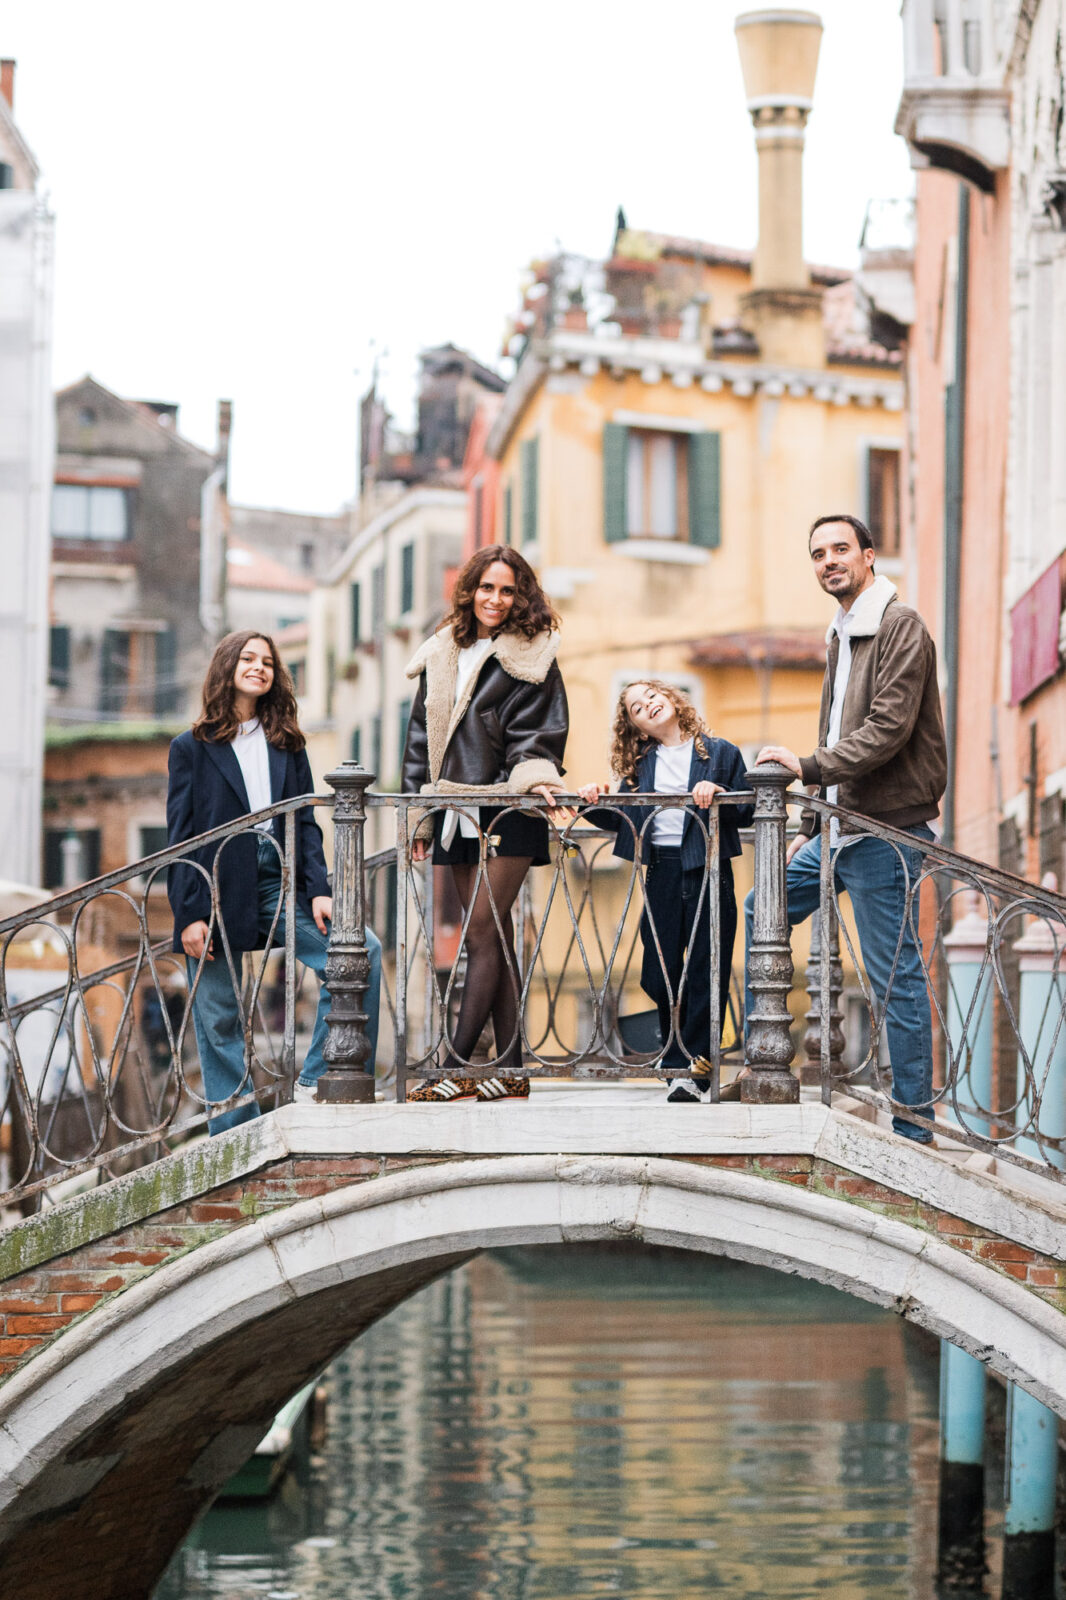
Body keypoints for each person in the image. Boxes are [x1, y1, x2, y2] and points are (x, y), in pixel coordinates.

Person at [749, 513, 947, 1143]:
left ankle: (914, 1125)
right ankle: (768, 1064)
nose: (828, 561)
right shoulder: (842, 632)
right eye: (817, 554)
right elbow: (837, 732)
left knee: (895, 977)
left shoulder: (898, 625)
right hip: (837, 829)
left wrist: (803, 769)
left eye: (840, 549)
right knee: (764, 908)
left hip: (885, 832)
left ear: (868, 555)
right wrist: (812, 819)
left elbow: (886, 731)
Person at [167, 629, 382, 1132]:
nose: (259, 667)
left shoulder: (287, 744)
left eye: (267, 661)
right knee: (218, 1012)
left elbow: (305, 825)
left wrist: (320, 889)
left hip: (276, 883)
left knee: (360, 953)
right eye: (247, 658)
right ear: (226, 667)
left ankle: (318, 1080)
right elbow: (180, 837)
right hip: (215, 885)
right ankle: (236, 1131)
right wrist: (189, 915)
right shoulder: (191, 749)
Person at [401, 545, 570, 1102]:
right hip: (452, 810)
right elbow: (420, 742)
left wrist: (534, 779)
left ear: (521, 595)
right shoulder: (443, 651)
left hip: (508, 807)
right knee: (493, 938)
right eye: (486, 588)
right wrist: (419, 818)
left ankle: (455, 1065)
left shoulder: (534, 655)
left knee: (480, 932)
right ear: (469, 590)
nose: (495, 600)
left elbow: (539, 735)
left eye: (507, 589)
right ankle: (512, 1068)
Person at [578, 681, 752, 1103]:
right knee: (659, 972)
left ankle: (695, 1068)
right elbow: (622, 820)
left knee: (705, 970)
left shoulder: (720, 752)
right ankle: (673, 1056)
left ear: (672, 699)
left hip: (708, 869)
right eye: (637, 707)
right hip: (662, 871)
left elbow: (749, 808)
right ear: (636, 726)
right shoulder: (642, 766)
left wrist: (721, 794)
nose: (648, 705)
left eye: (652, 696)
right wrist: (591, 800)